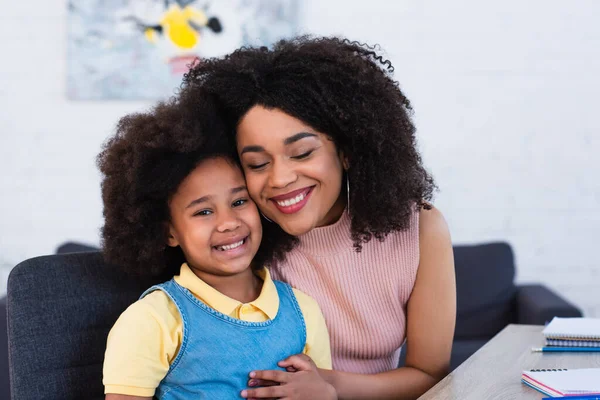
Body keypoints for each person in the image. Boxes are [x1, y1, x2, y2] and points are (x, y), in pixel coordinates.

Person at [177, 36, 457, 399]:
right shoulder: (240, 240)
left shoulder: (420, 230)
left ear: (347, 150)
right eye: (257, 164)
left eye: (302, 153)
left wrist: (330, 388)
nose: (279, 179)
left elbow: (430, 374)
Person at [97, 96, 332, 399]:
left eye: (238, 202)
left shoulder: (303, 311)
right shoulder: (153, 320)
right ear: (169, 232)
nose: (228, 223)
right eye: (203, 212)